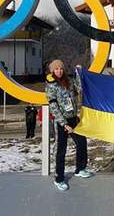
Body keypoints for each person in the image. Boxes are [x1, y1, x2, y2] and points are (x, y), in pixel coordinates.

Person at [45, 60, 92, 191]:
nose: (59, 71)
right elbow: (53, 107)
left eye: (61, 68)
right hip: (61, 122)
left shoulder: (68, 81)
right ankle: (59, 178)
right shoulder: (51, 85)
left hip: (73, 118)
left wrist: (78, 74)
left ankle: (80, 168)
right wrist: (64, 124)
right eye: (56, 69)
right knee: (61, 150)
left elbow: (79, 89)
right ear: (52, 71)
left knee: (81, 142)